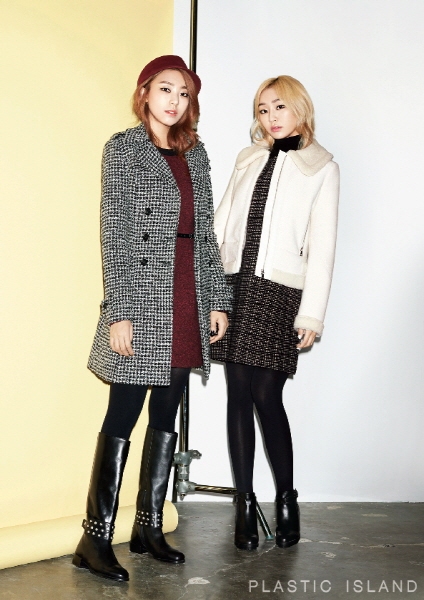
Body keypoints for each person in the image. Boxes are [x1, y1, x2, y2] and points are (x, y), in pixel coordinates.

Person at [73, 55, 232, 582]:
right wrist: (119, 312)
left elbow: (204, 234)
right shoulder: (123, 148)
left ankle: (148, 528)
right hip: (143, 297)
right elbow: (114, 234)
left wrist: (217, 299)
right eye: (166, 89)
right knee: (124, 413)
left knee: (167, 412)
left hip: (187, 292)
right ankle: (94, 539)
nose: (174, 101)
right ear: (144, 92)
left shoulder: (196, 153)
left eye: (184, 94)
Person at [211, 75, 339, 550]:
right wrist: (211, 291)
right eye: (263, 109)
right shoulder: (248, 158)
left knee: (266, 394)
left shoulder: (322, 167)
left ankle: (287, 498)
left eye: (279, 106)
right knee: (237, 393)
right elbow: (219, 225)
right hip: (236, 283)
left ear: (300, 107)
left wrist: (311, 315)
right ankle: (244, 503)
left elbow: (323, 248)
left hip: (281, 290)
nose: (271, 117)